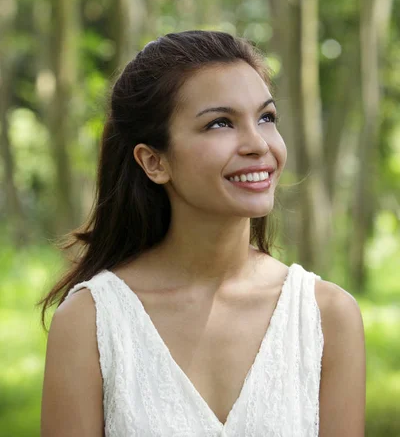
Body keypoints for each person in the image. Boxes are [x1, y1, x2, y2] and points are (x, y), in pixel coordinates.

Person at [39, 30, 366, 437]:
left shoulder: (326, 317)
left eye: (266, 118)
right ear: (154, 161)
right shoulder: (91, 322)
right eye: (220, 123)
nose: (257, 144)